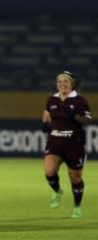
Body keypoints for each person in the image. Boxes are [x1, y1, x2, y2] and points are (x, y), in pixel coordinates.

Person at [42, 71, 93, 218]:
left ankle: (77, 207)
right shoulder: (52, 100)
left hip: (74, 144)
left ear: (71, 84)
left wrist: (75, 116)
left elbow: (88, 120)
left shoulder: (80, 101)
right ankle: (57, 191)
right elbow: (46, 114)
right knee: (49, 172)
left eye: (66, 82)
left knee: (75, 177)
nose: (62, 84)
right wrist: (45, 124)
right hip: (55, 142)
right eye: (60, 81)